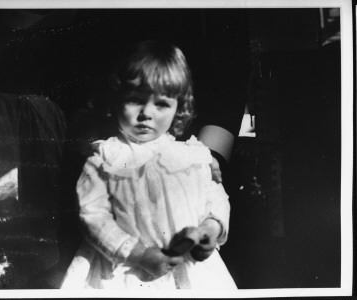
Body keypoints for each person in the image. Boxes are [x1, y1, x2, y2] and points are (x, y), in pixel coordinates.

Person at [60, 41, 237, 289]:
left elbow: (215, 198)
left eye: (161, 104)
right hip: (124, 273)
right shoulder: (104, 158)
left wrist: (209, 229)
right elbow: (93, 216)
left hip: (188, 272)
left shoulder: (193, 157)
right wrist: (138, 254)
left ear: (179, 107)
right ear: (116, 100)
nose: (146, 113)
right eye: (135, 100)